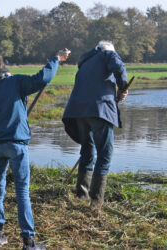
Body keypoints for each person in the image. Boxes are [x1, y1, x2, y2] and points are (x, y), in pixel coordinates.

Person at [0, 50, 70, 250]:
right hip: (16, 144)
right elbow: (43, 78)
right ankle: (28, 242)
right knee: (22, 192)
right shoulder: (16, 82)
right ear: (2, 68)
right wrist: (56, 59)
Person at [62, 41, 128, 211]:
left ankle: (81, 195)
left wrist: (115, 94)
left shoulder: (86, 60)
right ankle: (96, 202)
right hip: (99, 111)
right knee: (105, 154)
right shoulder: (108, 54)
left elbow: (95, 84)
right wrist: (122, 87)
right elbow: (119, 68)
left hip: (79, 112)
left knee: (87, 151)